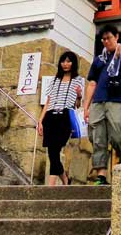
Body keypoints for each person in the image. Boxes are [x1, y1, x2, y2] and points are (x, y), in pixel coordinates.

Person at [83, 24, 121, 185]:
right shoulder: (99, 60)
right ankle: (101, 175)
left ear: (117, 37)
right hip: (98, 102)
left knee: (118, 135)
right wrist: (86, 107)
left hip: (117, 100)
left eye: (109, 38)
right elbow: (92, 84)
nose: (106, 41)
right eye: (104, 39)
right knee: (98, 137)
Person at [37, 51, 86, 186]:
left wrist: (79, 96)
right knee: (52, 152)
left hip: (65, 117)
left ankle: (51, 186)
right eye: (63, 61)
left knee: (56, 150)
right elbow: (48, 102)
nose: (65, 64)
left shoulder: (78, 81)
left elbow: (77, 106)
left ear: (73, 63)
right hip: (50, 117)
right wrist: (40, 121)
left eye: (69, 61)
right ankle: (65, 179)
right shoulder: (54, 80)